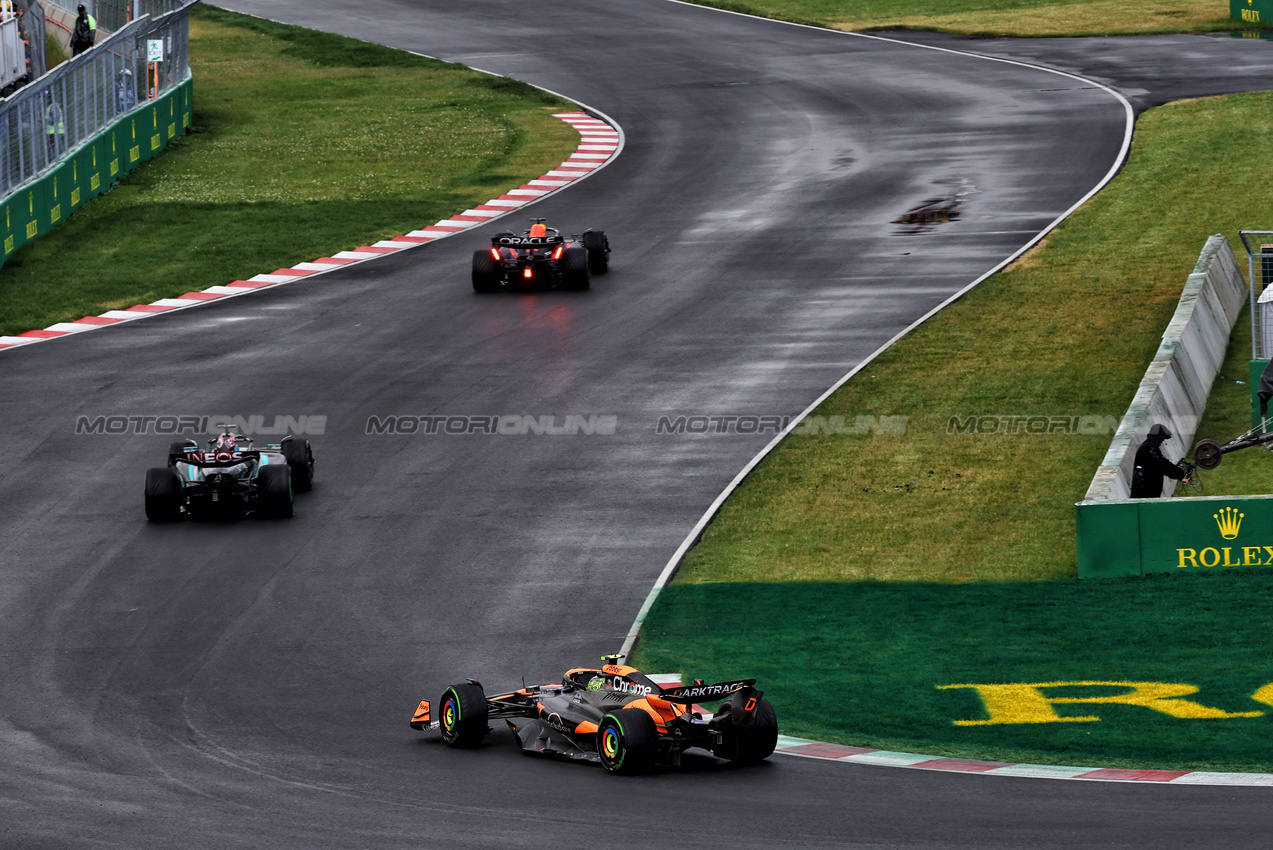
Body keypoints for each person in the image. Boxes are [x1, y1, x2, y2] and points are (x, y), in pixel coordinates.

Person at [1130, 423, 1188, 498]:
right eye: (1162, 439)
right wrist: (1180, 475)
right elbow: (1162, 465)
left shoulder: (1150, 447)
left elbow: (1163, 462)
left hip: (1147, 490)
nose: (1162, 442)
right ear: (1157, 438)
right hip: (1144, 492)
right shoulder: (1148, 449)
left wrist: (1179, 473)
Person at [43, 93, 64, 158]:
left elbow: (54, 120)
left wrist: (43, 120)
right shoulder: (51, 107)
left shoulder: (53, 107)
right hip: (55, 133)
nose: (44, 100)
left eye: (46, 98)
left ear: (50, 98)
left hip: (55, 133)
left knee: (55, 153)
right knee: (55, 151)